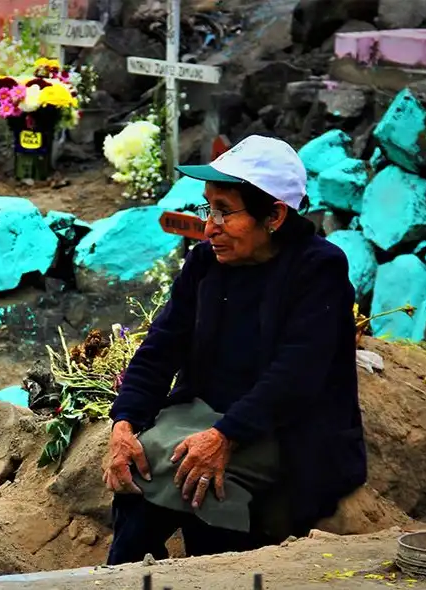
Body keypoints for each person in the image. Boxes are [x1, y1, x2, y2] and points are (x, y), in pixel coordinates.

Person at [103, 135, 367, 564]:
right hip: (205, 412)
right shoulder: (206, 262)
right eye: (208, 208)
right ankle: (122, 572)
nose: (210, 226)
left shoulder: (318, 268)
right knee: (142, 462)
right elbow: (161, 345)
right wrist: (125, 420)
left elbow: (295, 375)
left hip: (284, 427)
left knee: (196, 478)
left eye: (225, 211)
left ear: (275, 215)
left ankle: (219, 569)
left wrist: (226, 435)